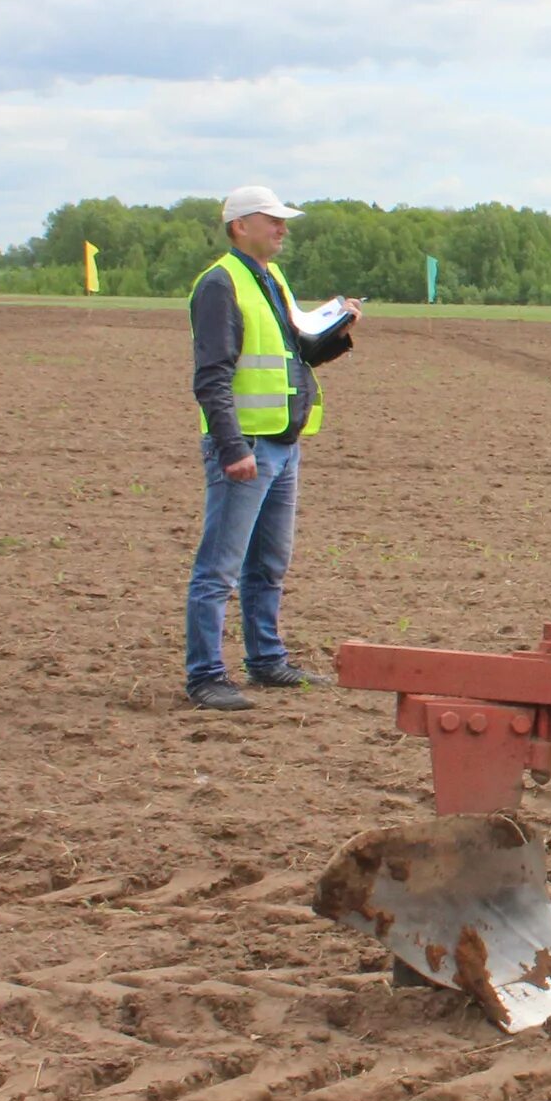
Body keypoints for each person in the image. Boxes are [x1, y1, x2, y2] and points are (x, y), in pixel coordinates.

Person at [185, 186, 361, 711]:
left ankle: (266, 660)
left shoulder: (270, 277)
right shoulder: (220, 284)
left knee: (267, 564)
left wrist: (339, 330)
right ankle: (205, 676)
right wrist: (232, 447)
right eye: (273, 221)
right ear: (241, 226)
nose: (283, 229)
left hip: (282, 444)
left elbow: (297, 351)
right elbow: (211, 377)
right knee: (218, 567)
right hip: (247, 449)